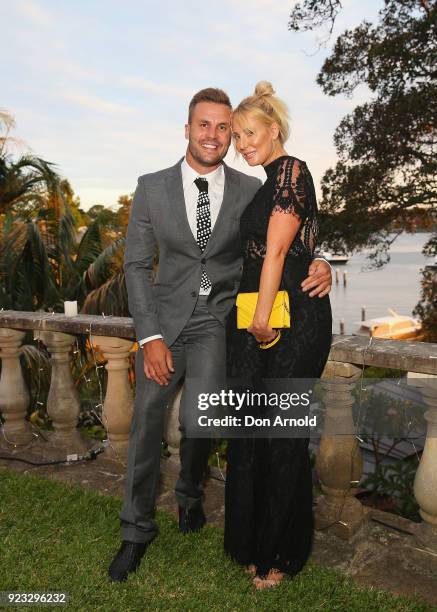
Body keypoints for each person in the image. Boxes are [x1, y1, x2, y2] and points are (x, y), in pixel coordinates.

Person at [108, 87, 332, 582]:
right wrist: (149, 338)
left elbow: (288, 232)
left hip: (220, 322)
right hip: (164, 325)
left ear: (233, 134)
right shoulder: (152, 187)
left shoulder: (250, 187)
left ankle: (189, 496)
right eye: (203, 125)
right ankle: (134, 532)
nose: (214, 135)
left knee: (201, 419)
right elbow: (138, 265)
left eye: (223, 127)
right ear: (186, 129)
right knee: (146, 425)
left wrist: (321, 261)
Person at [224, 82, 333, 589]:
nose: (243, 143)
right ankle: (253, 543)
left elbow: (276, 253)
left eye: (250, 133)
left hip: (285, 320)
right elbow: (302, 245)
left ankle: (279, 556)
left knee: (282, 434)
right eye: (237, 137)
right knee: (252, 430)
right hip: (258, 314)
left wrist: (263, 319)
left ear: (274, 129)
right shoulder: (265, 181)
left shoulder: (291, 170)